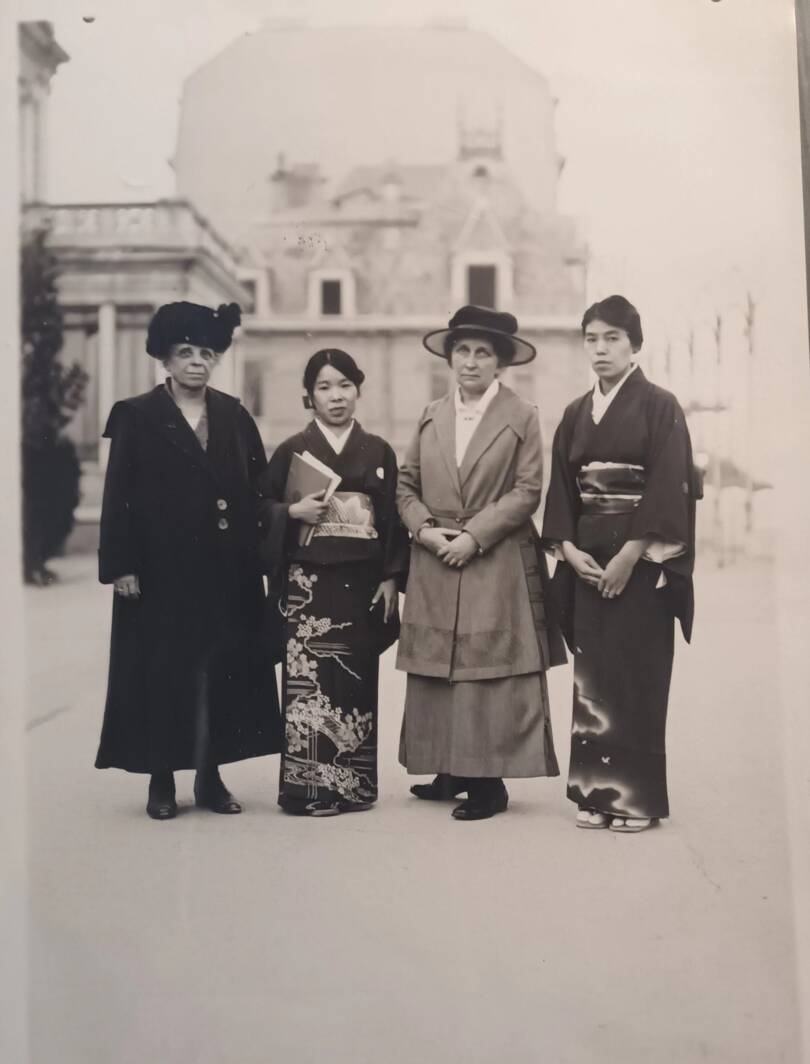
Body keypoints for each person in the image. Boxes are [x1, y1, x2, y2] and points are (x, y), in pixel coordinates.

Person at [95, 301, 282, 820]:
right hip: (160, 574)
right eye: (185, 352)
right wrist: (122, 566)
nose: (197, 362)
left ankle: (210, 776)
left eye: (206, 352)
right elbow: (118, 497)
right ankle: (161, 779)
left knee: (218, 673)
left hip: (226, 573)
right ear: (165, 359)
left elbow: (258, 488)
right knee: (163, 673)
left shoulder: (233, 415)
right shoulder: (137, 416)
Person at [396, 305, 565, 822]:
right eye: (462, 351)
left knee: (486, 670)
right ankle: (449, 768)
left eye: (483, 353)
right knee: (439, 666)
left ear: (501, 362)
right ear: (451, 357)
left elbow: (528, 490)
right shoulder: (431, 414)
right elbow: (405, 485)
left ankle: (488, 783)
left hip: (493, 558)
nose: (470, 362)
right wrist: (424, 529)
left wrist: (473, 537)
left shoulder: (521, 416)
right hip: (435, 558)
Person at [541, 295, 698, 833]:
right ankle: (594, 792)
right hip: (588, 562)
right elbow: (562, 492)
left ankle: (634, 799)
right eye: (592, 338)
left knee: (636, 674)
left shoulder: (660, 406)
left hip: (642, 564)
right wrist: (568, 549)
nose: (601, 348)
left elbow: (669, 489)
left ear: (635, 344)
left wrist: (631, 555)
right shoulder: (574, 413)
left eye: (612, 338)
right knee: (594, 679)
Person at [258, 349, 409, 817]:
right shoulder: (290, 451)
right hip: (308, 583)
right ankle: (308, 790)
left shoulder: (379, 450)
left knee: (354, 682)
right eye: (324, 387)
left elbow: (389, 522)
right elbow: (259, 510)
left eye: (344, 385)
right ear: (309, 396)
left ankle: (355, 786)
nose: (336, 396)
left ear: (358, 390)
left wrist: (390, 578)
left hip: (362, 582)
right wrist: (290, 513)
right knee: (308, 685)